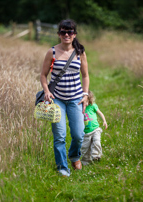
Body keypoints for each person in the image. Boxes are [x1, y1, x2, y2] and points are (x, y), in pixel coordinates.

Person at [40, 19, 89, 177]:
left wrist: (85, 94)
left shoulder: (80, 52)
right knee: (60, 135)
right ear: (59, 34)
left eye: (69, 32)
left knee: (78, 134)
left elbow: (86, 76)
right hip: (57, 100)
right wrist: (47, 91)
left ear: (74, 34)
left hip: (76, 99)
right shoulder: (52, 52)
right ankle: (62, 167)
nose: (66, 34)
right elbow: (43, 75)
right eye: (63, 31)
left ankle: (74, 156)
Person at [81, 90, 107, 165]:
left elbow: (99, 113)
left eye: (86, 100)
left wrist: (104, 121)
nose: (85, 102)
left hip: (95, 129)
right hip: (85, 132)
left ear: (89, 99)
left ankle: (96, 156)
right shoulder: (79, 108)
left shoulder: (93, 106)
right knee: (85, 147)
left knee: (96, 142)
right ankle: (86, 161)